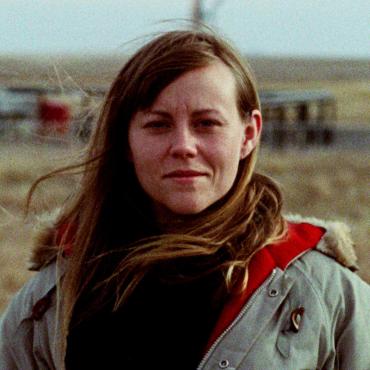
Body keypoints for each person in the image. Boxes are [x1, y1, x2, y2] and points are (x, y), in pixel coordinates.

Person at [1, 28, 370, 370]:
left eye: (206, 123)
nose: (183, 146)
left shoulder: (323, 293)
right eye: (158, 124)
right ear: (126, 141)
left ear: (248, 134)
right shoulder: (54, 296)